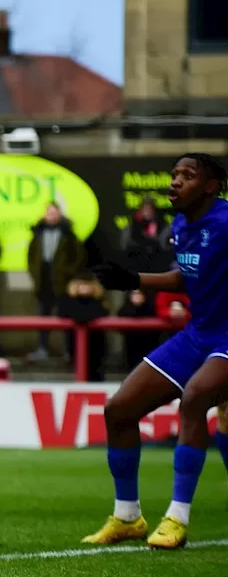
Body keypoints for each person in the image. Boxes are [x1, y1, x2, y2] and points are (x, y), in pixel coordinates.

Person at [84, 153, 227, 550]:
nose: (176, 181)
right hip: (198, 335)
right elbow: (187, 275)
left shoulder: (226, 222)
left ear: (212, 186)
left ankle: (177, 518)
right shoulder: (182, 223)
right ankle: (128, 516)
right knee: (119, 410)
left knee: (196, 399)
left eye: (188, 175)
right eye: (174, 174)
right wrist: (133, 279)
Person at [27, 203, 86, 361]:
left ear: (59, 215)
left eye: (54, 213)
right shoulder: (38, 234)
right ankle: (42, 348)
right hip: (43, 282)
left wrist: (68, 273)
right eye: (49, 213)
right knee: (43, 318)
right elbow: (31, 257)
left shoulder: (68, 235)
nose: (52, 216)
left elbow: (79, 256)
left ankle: (69, 351)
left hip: (62, 283)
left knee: (66, 318)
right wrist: (35, 273)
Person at [57, 271, 110, 382]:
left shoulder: (100, 301)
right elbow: (65, 313)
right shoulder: (66, 300)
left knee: (97, 374)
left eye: (88, 285)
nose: (85, 288)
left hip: (96, 346)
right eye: (82, 284)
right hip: (75, 344)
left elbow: (102, 312)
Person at [116, 289, 159, 371]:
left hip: (149, 344)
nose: (137, 297)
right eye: (134, 294)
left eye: (140, 294)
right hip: (131, 345)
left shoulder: (152, 308)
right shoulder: (125, 309)